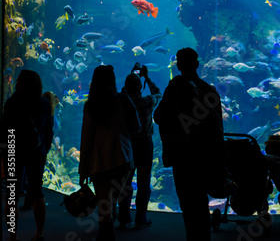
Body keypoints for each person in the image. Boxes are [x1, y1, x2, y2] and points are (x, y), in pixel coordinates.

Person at [154, 47, 226, 241]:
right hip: (206, 156)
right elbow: (219, 128)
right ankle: (204, 238)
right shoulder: (210, 91)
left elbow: (159, 116)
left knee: (187, 201)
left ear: (178, 65)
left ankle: (193, 238)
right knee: (201, 199)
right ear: (197, 64)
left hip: (182, 155)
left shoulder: (175, 86)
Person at [79, 65, 141, 241]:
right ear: (113, 80)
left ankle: (106, 234)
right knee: (111, 203)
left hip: (100, 163)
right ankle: (109, 231)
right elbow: (136, 128)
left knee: (104, 208)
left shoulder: (91, 106)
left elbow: (86, 139)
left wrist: (83, 170)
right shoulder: (124, 100)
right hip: (123, 160)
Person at [1, 70, 54, 241]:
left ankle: (12, 236)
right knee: (37, 192)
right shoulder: (45, 104)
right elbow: (48, 132)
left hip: (13, 151)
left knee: (11, 195)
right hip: (36, 152)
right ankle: (39, 233)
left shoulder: (12, 103)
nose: (16, 83)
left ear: (22, 83)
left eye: (18, 80)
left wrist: (6, 153)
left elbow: (6, 131)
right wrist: (43, 150)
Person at [118, 63, 162, 229]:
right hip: (145, 144)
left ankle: (124, 216)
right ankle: (141, 217)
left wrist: (133, 76)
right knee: (144, 181)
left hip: (128, 144)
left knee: (126, 181)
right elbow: (158, 93)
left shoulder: (122, 102)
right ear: (139, 87)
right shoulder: (147, 101)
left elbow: (124, 92)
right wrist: (146, 77)